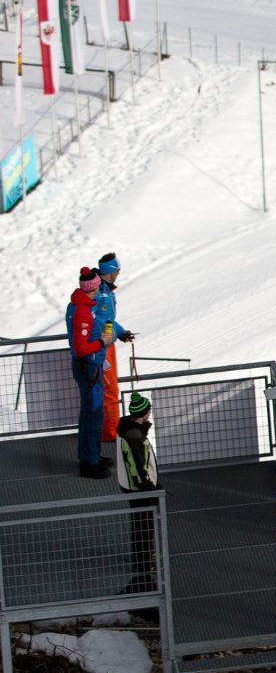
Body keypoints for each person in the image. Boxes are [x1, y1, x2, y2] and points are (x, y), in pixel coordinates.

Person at [65, 267, 114, 478]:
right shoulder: (83, 311)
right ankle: (89, 464)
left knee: (91, 414)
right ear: (92, 288)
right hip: (89, 368)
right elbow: (81, 347)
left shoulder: (78, 306)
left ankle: (91, 455)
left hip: (88, 367)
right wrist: (101, 342)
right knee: (92, 415)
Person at [115, 391, 160, 593]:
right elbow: (138, 466)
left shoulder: (127, 429)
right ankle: (143, 562)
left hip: (129, 485)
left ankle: (142, 557)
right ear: (144, 413)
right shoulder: (135, 437)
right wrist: (149, 487)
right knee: (144, 524)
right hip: (139, 488)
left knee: (139, 522)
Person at [94, 252, 136, 456]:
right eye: (117, 269)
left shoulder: (107, 291)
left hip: (107, 343)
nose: (119, 272)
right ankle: (109, 434)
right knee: (109, 389)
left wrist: (120, 333)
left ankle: (109, 430)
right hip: (100, 346)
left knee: (111, 388)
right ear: (111, 271)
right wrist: (112, 333)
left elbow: (107, 318)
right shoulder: (98, 291)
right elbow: (97, 319)